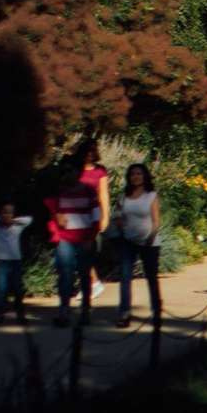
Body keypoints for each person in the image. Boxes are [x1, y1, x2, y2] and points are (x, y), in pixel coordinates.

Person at [42, 171, 99, 326]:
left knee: (84, 274)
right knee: (65, 274)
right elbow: (51, 208)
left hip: (84, 238)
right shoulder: (59, 191)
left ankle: (85, 310)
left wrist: (91, 237)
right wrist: (56, 216)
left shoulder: (88, 190)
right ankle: (64, 310)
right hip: (64, 237)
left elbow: (96, 215)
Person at [113, 163, 161, 328]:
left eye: (139, 174)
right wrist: (119, 222)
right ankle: (124, 313)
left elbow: (156, 221)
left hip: (149, 243)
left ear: (145, 176)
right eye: (133, 174)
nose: (136, 177)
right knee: (125, 278)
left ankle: (157, 311)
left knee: (151, 278)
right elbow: (117, 214)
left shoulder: (151, 195)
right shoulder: (123, 196)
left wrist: (151, 237)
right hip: (128, 241)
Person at [0, 201, 32, 325]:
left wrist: (12, 220)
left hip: (15, 261)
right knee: (2, 289)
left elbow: (28, 220)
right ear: (1, 213)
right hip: (2, 262)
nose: (7, 215)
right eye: (4, 212)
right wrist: (0, 219)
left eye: (10, 212)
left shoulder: (18, 226)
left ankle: (20, 315)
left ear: (13, 214)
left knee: (18, 289)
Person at [74, 139, 111, 302]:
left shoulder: (100, 171)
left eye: (92, 151)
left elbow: (103, 195)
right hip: (75, 214)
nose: (89, 154)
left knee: (85, 250)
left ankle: (91, 284)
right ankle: (92, 283)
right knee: (76, 251)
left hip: (92, 214)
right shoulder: (75, 170)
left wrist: (105, 217)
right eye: (86, 151)